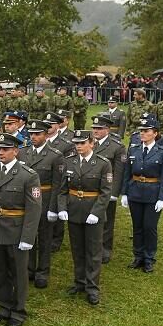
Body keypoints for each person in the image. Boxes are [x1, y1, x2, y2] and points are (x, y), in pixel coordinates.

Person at [0, 133, 41, 326]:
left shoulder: (28, 175)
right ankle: (3, 307)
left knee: (18, 273)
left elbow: (34, 209)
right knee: (0, 271)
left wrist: (28, 237)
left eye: (5, 149)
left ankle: (18, 311)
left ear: (15, 151)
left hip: (16, 231)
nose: (1, 152)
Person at [56, 130, 113, 305]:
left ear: (91, 143)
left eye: (82, 143)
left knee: (93, 251)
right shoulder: (69, 162)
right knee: (77, 249)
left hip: (92, 212)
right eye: (76, 143)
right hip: (74, 211)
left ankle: (92, 287)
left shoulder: (103, 164)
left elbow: (105, 192)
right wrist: (62, 208)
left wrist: (96, 212)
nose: (78, 146)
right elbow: (63, 190)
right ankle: (79, 281)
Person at [120, 116, 163, 272]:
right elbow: (127, 173)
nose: (142, 133)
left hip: (152, 194)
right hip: (135, 192)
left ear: (155, 133)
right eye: (141, 131)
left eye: (146, 131)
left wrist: (162, 198)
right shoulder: (133, 149)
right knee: (137, 226)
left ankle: (149, 258)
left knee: (149, 227)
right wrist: (125, 193)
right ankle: (138, 256)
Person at [22, 119, 65, 289]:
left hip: (45, 200)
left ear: (46, 135)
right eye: (31, 134)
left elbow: (57, 184)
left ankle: (42, 272)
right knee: (28, 235)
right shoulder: (23, 152)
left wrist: (53, 208)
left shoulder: (55, 155)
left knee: (45, 238)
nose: (33, 137)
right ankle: (30, 268)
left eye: (37, 134)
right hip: (27, 201)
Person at [91, 115, 126, 264]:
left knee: (106, 221)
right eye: (94, 128)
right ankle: (91, 247)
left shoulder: (116, 146)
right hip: (89, 188)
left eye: (99, 128)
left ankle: (105, 249)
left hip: (106, 189)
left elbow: (119, 172)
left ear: (107, 129)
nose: (95, 131)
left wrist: (114, 192)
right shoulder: (88, 143)